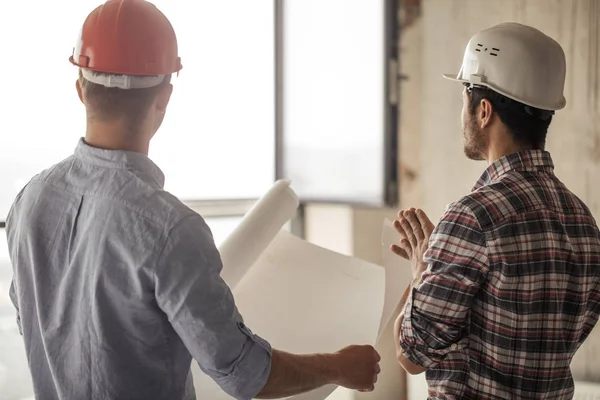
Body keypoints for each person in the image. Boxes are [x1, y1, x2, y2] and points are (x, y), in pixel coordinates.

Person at [5, 1, 380, 399]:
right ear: (164, 97)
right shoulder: (167, 227)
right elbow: (244, 374)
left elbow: (34, 323)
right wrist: (340, 366)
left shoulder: (30, 201)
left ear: (81, 89)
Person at [390, 22, 600, 399]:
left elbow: (410, 355)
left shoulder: (473, 217)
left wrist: (422, 267)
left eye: (463, 100)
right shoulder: (583, 222)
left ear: (483, 110)